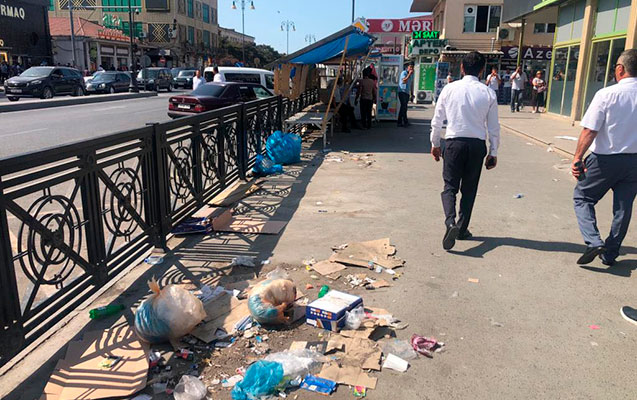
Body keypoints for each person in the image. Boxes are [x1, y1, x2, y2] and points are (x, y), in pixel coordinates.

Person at [572, 49, 637, 266]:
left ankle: (593, 241)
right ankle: (610, 253)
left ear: (620, 69)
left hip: (604, 160)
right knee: (623, 208)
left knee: (583, 197)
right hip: (634, 162)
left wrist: (577, 157)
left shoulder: (607, 94)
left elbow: (590, 130)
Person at [430, 51, 500, 251]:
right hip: (476, 145)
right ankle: (461, 229)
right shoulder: (488, 93)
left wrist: (435, 143)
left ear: (461, 68)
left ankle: (450, 222)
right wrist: (493, 152)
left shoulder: (450, 89)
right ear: (482, 70)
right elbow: (493, 127)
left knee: (450, 187)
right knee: (469, 189)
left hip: (454, 143)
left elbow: (437, 120)